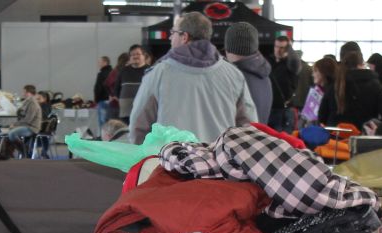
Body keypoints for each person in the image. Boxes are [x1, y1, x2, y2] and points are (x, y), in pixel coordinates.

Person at [130, 11, 257, 144]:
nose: (170, 38)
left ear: (184, 37)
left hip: (171, 163)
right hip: (220, 162)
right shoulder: (234, 75)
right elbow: (249, 127)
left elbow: (138, 126)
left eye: (173, 32)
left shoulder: (158, 74)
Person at [318, 48, 382, 131]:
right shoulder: (375, 85)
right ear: (361, 65)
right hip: (364, 138)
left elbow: (322, 117)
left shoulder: (334, 86)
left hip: (336, 138)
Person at [225, 22, 272, 128]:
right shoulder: (264, 74)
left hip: (240, 142)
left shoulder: (236, 78)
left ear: (228, 47)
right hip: (258, 140)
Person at [268, 35, 299, 132]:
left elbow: (295, 62)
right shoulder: (269, 61)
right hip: (270, 107)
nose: (278, 50)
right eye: (276, 46)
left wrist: (290, 48)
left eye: (281, 47)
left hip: (285, 109)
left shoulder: (291, 63)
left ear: (287, 49)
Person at [116, 45, 152, 123]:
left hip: (145, 112)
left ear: (144, 56)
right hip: (126, 113)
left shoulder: (151, 71)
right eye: (132, 54)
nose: (135, 56)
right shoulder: (123, 71)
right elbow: (117, 90)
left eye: (138, 54)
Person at [3, 84, 42, 156]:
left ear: (28, 93)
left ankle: (24, 151)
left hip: (32, 128)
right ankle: (8, 154)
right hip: (27, 125)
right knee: (9, 132)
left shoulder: (32, 103)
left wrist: (15, 124)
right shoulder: (28, 102)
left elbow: (28, 119)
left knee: (12, 133)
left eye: (24, 92)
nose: (23, 94)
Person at [299, 56, 336, 128]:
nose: (313, 75)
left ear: (324, 72)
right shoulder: (315, 91)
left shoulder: (333, 92)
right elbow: (305, 115)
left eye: (315, 71)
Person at [93, 56, 113, 126]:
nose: (98, 64)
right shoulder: (113, 73)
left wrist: (96, 100)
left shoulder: (101, 74)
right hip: (112, 101)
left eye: (100, 62)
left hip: (102, 100)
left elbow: (98, 88)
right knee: (111, 121)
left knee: (103, 123)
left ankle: (104, 136)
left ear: (105, 62)